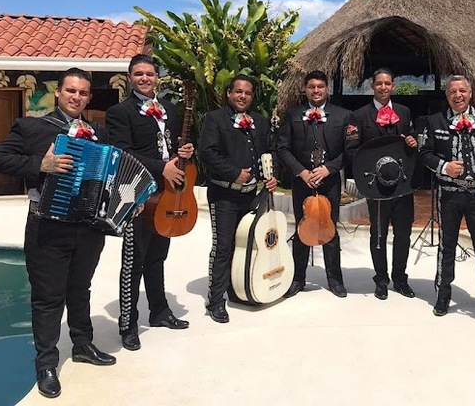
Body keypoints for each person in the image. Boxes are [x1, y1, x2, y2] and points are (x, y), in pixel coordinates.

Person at [0, 68, 116, 398]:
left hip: (87, 227)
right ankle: (46, 364)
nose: (77, 97)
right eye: (71, 90)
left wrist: (125, 201)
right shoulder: (32, 127)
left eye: (84, 93)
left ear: (88, 97)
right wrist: (39, 165)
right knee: (47, 298)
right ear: (58, 92)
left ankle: (83, 344)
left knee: (80, 288)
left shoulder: (98, 133)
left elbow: (110, 174)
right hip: (47, 226)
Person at [105, 54, 195, 351]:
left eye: (150, 73)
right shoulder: (120, 112)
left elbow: (170, 149)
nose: (145, 78)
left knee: (158, 256)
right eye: (139, 74)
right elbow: (121, 153)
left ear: (157, 77)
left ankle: (159, 311)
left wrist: (183, 154)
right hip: (137, 195)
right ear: (130, 77)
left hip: (167, 195)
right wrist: (162, 167)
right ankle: (128, 324)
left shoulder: (168, 109)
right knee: (133, 261)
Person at [419, 75, 475, 316]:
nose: (458, 95)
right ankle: (443, 295)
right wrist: (444, 167)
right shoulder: (434, 121)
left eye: (462, 91)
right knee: (446, 246)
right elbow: (425, 153)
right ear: (447, 96)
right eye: (452, 92)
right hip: (449, 194)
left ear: (470, 93)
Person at [199, 74, 277, 322]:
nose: (243, 96)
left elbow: (269, 150)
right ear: (229, 94)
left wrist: (271, 176)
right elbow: (207, 152)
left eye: (248, 93)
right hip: (223, 195)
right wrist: (234, 173)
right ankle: (215, 300)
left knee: (246, 245)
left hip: (251, 197)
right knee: (223, 247)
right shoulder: (215, 119)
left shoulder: (261, 121)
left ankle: (236, 289)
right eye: (238, 92)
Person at [277, 70, 355, 298]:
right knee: (302, 226)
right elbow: (282, 147)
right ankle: (297, 279)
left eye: (320, 86)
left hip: (329, 181)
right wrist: (301, 172)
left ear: (327, 89)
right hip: (302, 181)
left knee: (330, 226)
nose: (316, 90)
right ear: (305, 89)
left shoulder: (343, 116)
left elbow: (350, 150)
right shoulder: (293, 114)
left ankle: (335, 280)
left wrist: (328, 169)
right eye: (311, 87)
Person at [350, 68, 418, 300]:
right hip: (375, 186)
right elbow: (352, 151)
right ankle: (381, 279)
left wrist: (412, 141)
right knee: (378, 233)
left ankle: (400, 278)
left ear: (393, 87)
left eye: (387, 83)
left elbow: (412, 141)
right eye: (379, 83)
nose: (383, 87)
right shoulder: (359, 115)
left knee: (404, 233)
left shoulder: (404, 111)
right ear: (372, 86)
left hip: (402, 185)